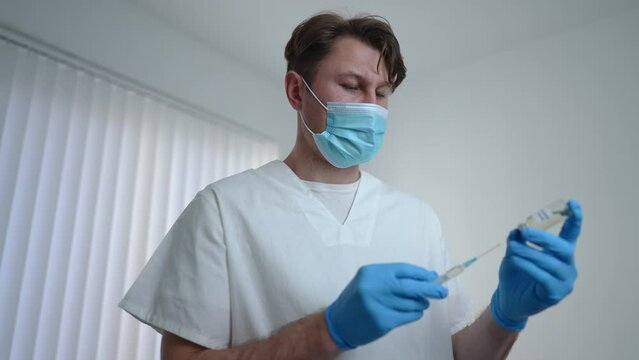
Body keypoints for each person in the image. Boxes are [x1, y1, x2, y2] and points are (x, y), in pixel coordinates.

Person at [119, 12, 583, 359]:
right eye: (351, 85)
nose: (370, 106)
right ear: (297, 93)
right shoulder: (225, 209)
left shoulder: (417, 217)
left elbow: (455, 353)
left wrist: (506, 316)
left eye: (381, 94)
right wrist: (325, 331)